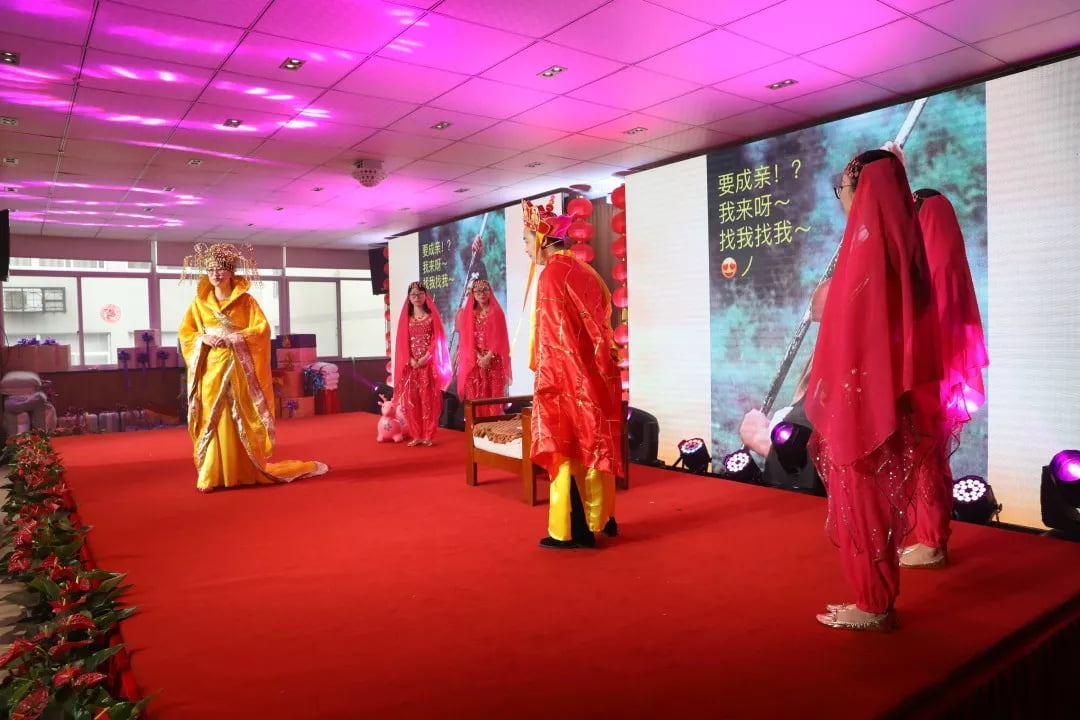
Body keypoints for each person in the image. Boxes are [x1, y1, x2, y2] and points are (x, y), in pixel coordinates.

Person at [807, 149, 943, 631]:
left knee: (862, 496)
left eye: (843, 189)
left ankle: (873, 604)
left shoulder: (868, 248)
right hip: (881, 395)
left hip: (860, 400)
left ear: (858, 190)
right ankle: (875, 597)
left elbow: (849, 326)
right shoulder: (900, 246)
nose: (842, 198)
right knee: (873, 496)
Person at [178, 243, 327, 493]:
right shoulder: (199, 303)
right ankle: (211, 474)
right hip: (212, 368)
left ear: (230, 271)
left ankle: (245, 470)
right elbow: (187, 333)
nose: (215, 274)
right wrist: (204, 338)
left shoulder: (246, 301)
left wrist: (236, 338)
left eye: (220, 269)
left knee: (241, 413)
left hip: (239, 367)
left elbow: (261, 330)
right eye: (211, 269)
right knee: (214, 415)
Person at [523, 197, 622, 549]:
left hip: (564, 375)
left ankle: (570, 529)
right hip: (591, 373)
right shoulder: (583, 270)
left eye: (526, 240)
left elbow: (553, 337)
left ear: (542, 239)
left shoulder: (552, 274)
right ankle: (603, 517)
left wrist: (547, 383)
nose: (525, 248)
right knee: (592, 442)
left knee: (564, 445)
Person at [900, 189, 989, 568]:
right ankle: (929, 535)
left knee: (926, 453)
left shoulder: (936, 269)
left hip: (928, 372)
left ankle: (933, 541)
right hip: (931, 371)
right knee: (925, 454)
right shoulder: (945, 268)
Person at [394, 281, 451, 446]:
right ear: (409, 297)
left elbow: (436, 339)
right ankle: (416, 434)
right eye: (413, 294)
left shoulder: (432, 317)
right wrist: (411, 359)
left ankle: (428, 435)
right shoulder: (407, 319)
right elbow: (403, 342)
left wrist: (426, 357)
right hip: (411, 366)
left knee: (428, 399)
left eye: (420, 294)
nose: (416, 297)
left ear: (425, 296)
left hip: (428, 365)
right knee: (412, 400)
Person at [456, 278, 511, 417]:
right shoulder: (469, 314)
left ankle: (494, 427)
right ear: (473, 294)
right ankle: (478, 428)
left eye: (485, 290)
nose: (481, 294)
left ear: (490, 292)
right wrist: (479, 356)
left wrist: (488, 356)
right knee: (476, 395)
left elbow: (500, 337)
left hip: (494, 361)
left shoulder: (497, 312)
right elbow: (467, 338)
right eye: (478, 291)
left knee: (494, 395)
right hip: (475, 362)